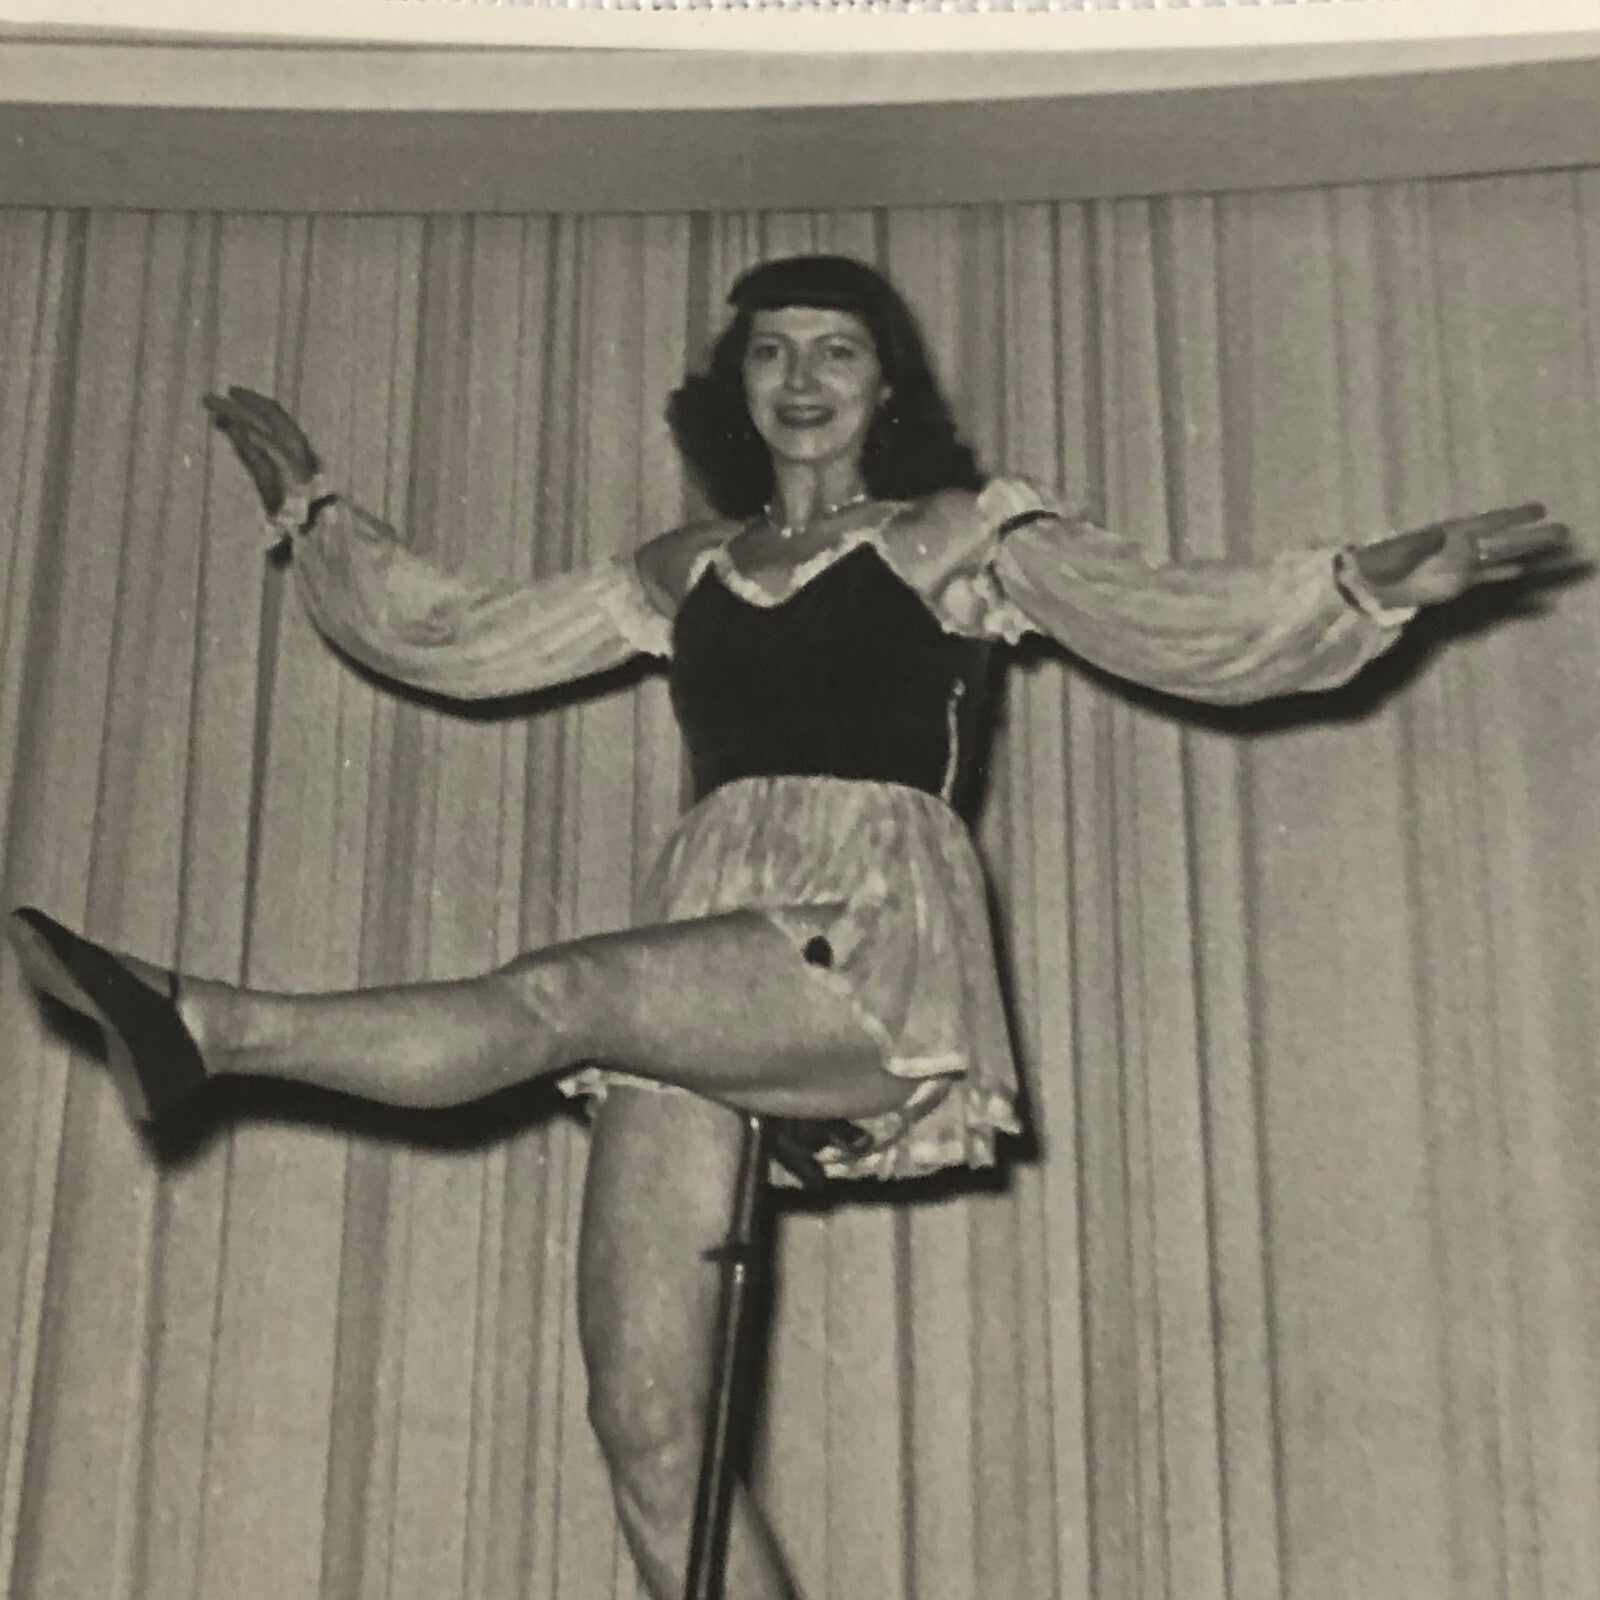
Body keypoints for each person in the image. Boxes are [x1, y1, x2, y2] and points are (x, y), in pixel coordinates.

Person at [5, 254, 1571, 1600]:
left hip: (863, 937)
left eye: (836, 352)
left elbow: (1175, 619)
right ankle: (204, 1027)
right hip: (706, 953)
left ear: (886, 386)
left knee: (557, 995)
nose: (802, 379)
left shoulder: (956, 533)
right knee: (647, 1431)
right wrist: (319, 517)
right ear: (737, 386)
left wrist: (1360, 584)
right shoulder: (686, 570)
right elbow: (458, 636)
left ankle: (210, 1024)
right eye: (772, 352)